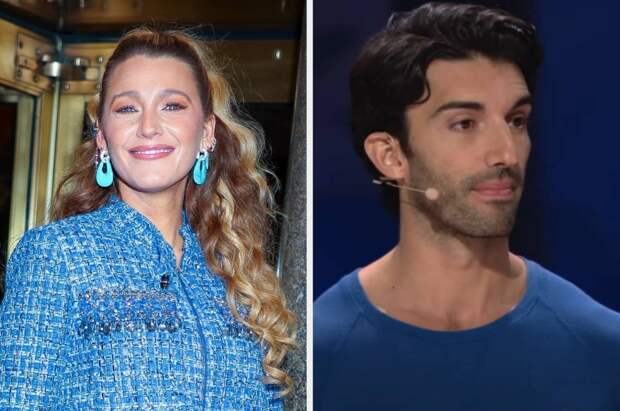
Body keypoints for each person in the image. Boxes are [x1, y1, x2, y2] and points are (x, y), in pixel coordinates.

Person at [314, 3, 620, 410]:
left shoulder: (601, 350)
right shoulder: (318, 354)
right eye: (465, 124)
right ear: (390, 156)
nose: (506, 154)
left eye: (516, 120)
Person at [0, 27, 295, 410]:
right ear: (102, 135)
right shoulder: (56, 255)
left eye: (172, 105)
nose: (149, 127)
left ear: (206, 132)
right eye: (127, 108)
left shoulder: (237, 276)